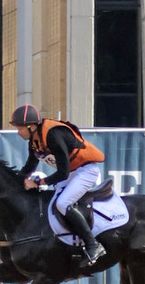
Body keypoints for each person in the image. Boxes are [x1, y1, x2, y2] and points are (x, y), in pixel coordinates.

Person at [10, 103, 106, 266]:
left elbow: (63, 173)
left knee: (62, 203)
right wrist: (15, 182)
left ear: (31, 126)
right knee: (53, 202)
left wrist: (39, 182)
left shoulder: (53, 135)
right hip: (73, 172)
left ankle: (93, 244)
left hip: (85, 171)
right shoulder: (34, 140)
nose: (18, 132)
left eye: (20, 128)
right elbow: (30, 166)